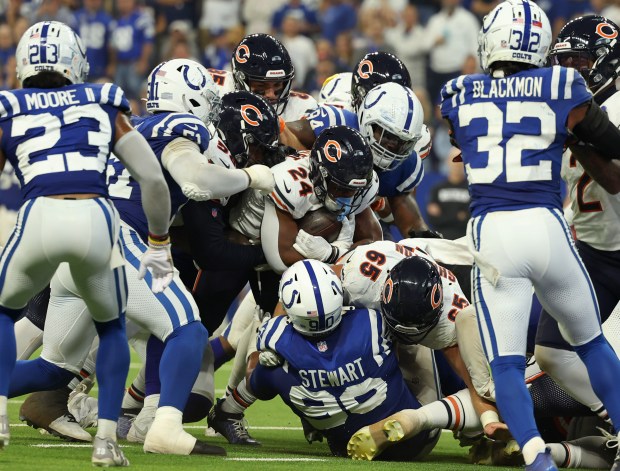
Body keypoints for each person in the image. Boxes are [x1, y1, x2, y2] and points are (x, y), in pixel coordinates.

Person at [7, 58, 275, 456]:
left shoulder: (135, 127)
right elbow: (195, 180)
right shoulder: (180, 129)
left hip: (79, 242)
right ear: (189, 100)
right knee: (188, 328)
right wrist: (251, 177)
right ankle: (163, 427)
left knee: (55, 367)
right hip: (118, 238)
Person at [440, 1, 620, 470]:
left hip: (496, 233)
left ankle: (538, 460)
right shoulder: (562, 86)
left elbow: (468, 141)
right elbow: (609, 141)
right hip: (548, 228)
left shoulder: (459, 91)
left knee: (506, 366)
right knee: (591, 343)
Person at [0, 20, 174, 466]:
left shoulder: (9, 106)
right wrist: (158, 242)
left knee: (4, 311)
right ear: (75, 60)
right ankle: (107, 442)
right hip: (96, 220)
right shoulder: (102, 100)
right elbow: (152, 178)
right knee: (111, 327)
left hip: (38, 216)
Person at [247, 259, 436, 459]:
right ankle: (467, 425)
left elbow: (255, 383)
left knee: (273, 371)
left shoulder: (274, 337)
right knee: (424, 334)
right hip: (415, 439)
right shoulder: (371, 320)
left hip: (344, 447)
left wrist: (261, 349)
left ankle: (228, 411)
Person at [534, 14, 620, 433]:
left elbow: (614, 179)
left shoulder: (616, 106)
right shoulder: (571, 112)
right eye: (563, 62)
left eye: (579, 61)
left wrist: (571, 134)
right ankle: (614, 422)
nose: (569, 72)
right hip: (593, 250)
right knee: (552, 352)